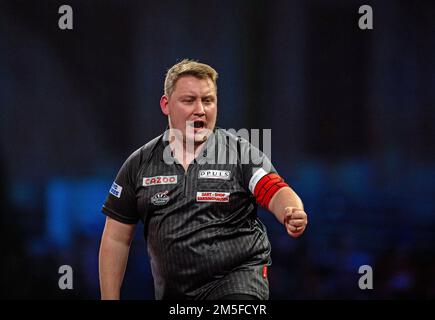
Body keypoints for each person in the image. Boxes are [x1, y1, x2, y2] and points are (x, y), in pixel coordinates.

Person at [98, 59, 308, 300]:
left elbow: (274, 189)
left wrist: (291, 211)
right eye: (189, 100)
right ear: (166, 105)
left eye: (208, 100)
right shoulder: (139, 164)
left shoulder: (240, 153)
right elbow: (116, 238)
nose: (201, 109)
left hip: (238, 284)